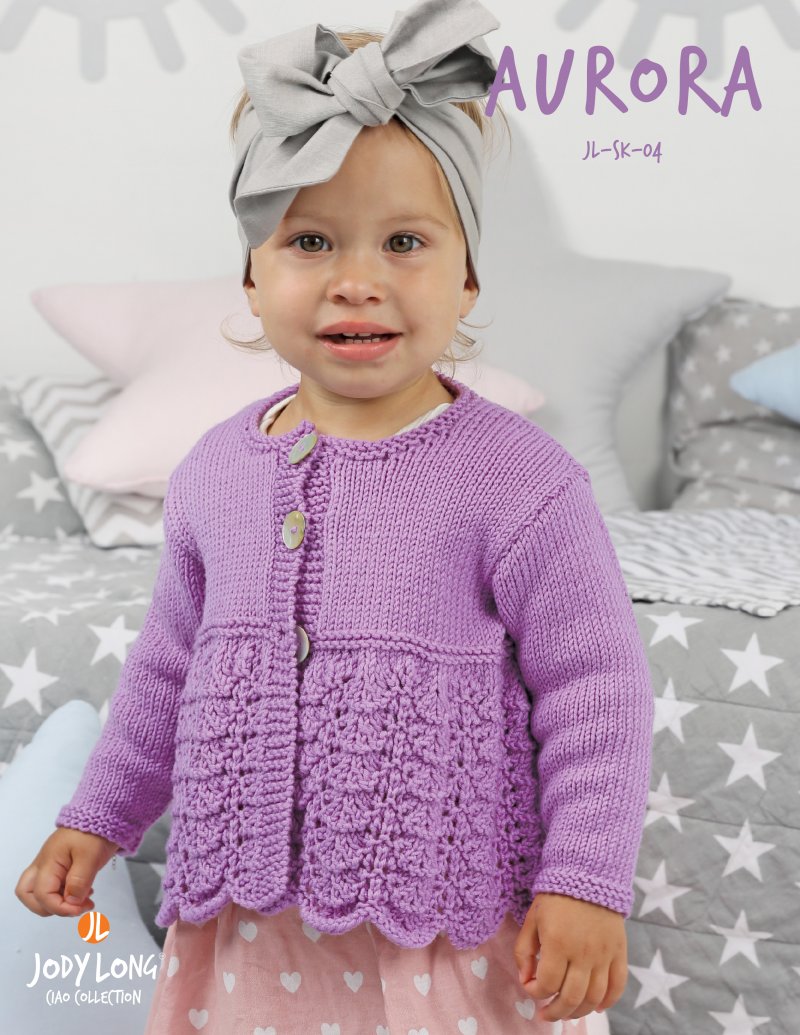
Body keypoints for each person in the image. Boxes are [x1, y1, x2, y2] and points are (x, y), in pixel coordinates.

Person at [15, 1, 655, 1032]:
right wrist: (99, 818)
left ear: (466, 276)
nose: (357, 281)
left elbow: (596, 690)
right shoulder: (215, 471)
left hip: (441, 927)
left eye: (404, 241)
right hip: (247, 929)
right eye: (309, 241)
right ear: (251, 275)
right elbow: (166, 671)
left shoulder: (520, 481)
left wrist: (584, 878)